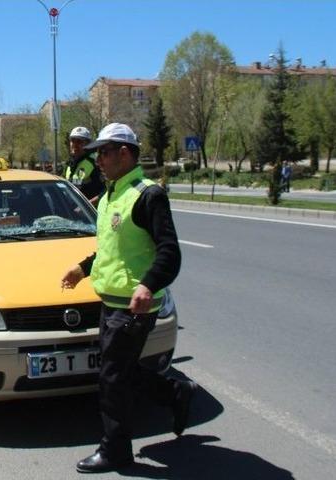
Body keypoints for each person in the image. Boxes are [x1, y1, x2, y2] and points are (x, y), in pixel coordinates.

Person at [60, 123, 196, 473]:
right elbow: (113, 251)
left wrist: (147, 285)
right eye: (96, 154)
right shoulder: (110, 196)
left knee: (111, 378)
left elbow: (169, 252)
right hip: (112, 302)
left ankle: (115, 449)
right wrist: (83, 269)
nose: (98, 160)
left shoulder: (147, 195)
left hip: (134, 306)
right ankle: (174, 392)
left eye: (103, 153)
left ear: (124, 153)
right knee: (120, 370)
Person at [64, 126, 105, 205]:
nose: (75, 145)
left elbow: (105, 192)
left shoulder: (96, 163)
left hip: (88, 211)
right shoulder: (69, 164)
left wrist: (87, 206)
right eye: (72, 141)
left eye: (79, 141)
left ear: (88, 144)